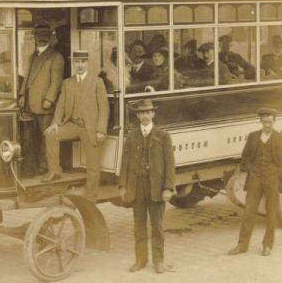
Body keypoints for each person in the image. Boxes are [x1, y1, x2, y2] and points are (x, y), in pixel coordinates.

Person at [228, 107, 282, 257]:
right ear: (261, 121)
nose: (267, 125)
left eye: (270, 122)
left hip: (273, 180)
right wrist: (251, 170)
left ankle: (267, 245)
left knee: (271, 213)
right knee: (248, 212)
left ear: (274, 121)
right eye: (265, 122)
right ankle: (242, 245)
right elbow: (245, 157)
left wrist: (278, 175)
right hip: (255, 179)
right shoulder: (253, 137)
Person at [44, 51, 109, 202]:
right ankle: (55, 171)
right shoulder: (67, 83)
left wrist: (101, 130)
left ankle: (91, 196)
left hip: (90, 127)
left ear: (87, 63)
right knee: (50, 134)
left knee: (93, 164)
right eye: (77, 62)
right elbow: (60, 106)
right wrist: (55, 124)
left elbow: (104, 108)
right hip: (72, 124)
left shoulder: (97, 82)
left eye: (82, 62)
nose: (79, 65)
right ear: (73, 64)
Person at [119, 99, 175, 274]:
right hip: (137, 186)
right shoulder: (132, 136)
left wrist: (168, 188)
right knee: (139, 225)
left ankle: (158, 261)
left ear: (153, 114)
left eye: (147, 112)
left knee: (157, 226)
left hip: (156, 187)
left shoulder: (163, 136)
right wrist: (123, 185)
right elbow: (125, 163)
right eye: (141, 113)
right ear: (137, 116)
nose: (144, 116)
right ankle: (140, 260)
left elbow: (170, 165)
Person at [18, 24, 65, 175]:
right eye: (39, 36)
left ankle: (45, 167)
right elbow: (27, 79)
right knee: (31, 138)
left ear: (50, 38)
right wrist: (22, 95)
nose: (42, 39)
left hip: (45, 106)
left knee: (46, 139)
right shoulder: (32, 56)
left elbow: (56, 81)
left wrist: (50, 100)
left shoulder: (56, 57)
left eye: (45, 36)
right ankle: (31, 167)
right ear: (35, 38)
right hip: (30, 104)